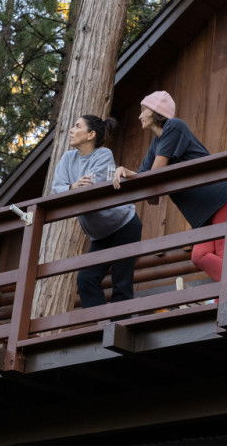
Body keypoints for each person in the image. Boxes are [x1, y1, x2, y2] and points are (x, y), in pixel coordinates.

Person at [126, 91, 227, 281]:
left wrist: (150, 184)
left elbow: (154, 174)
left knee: (224, 255)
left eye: (143, 110)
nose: (140, 115)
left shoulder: (174, 126)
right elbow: (145, 183)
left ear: (156, 110)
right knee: (199, 256)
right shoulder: (156, 143)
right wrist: (123, 172)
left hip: (219, 198)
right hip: (202, 213)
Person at [50, 114, 140, 308]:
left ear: (91, 134)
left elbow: (94, 185)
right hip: (99, 236)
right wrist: (72, 188)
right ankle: (102, 329)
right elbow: (57, 189)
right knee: (86, 280)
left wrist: (72, 189)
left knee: (121, 284)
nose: (71, 130)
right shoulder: (67, 158)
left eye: (77, 126)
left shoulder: (103, 154)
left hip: (124, 224)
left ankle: (118, 331)